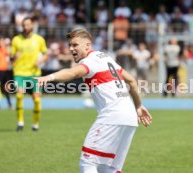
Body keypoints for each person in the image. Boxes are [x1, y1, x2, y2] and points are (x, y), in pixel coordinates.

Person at [34, 29, 152, 173]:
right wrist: (139, 106)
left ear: (87, 45)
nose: (71, 49)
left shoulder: (89, 61)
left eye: (75, 45)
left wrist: (48, 77)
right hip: (129, 117)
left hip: (112, 115)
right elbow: (131, 80)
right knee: (109, 168)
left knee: (88, 162)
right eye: (70, 45)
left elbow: (72, 73)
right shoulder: (105, 58)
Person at [11, 17, 49, 132]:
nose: (25, 27)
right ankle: (20, 123)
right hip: (20, 73)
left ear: (32, 25)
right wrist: (14, 57)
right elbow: (11, 56)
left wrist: (40, 61)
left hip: (34, 74)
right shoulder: (16, 39)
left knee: (37, 100)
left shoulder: (39, 39)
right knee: (19, 96)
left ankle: (35, 124)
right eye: (24, 25)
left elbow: (46, 54)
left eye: (28, 24)